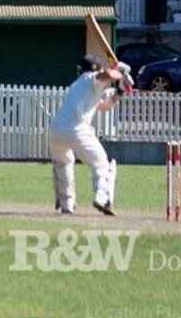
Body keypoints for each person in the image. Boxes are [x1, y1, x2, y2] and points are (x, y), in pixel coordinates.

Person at [47, 54, 129, 216]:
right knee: (101, 163)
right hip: (76, 128)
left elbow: (104, 106)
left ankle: (67, 205)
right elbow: (108, 75)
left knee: (63, 164)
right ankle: (102, 198)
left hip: (56, 130)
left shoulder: (77, 86)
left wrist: (120, 90)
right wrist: (119, 70)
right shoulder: (90, 78)